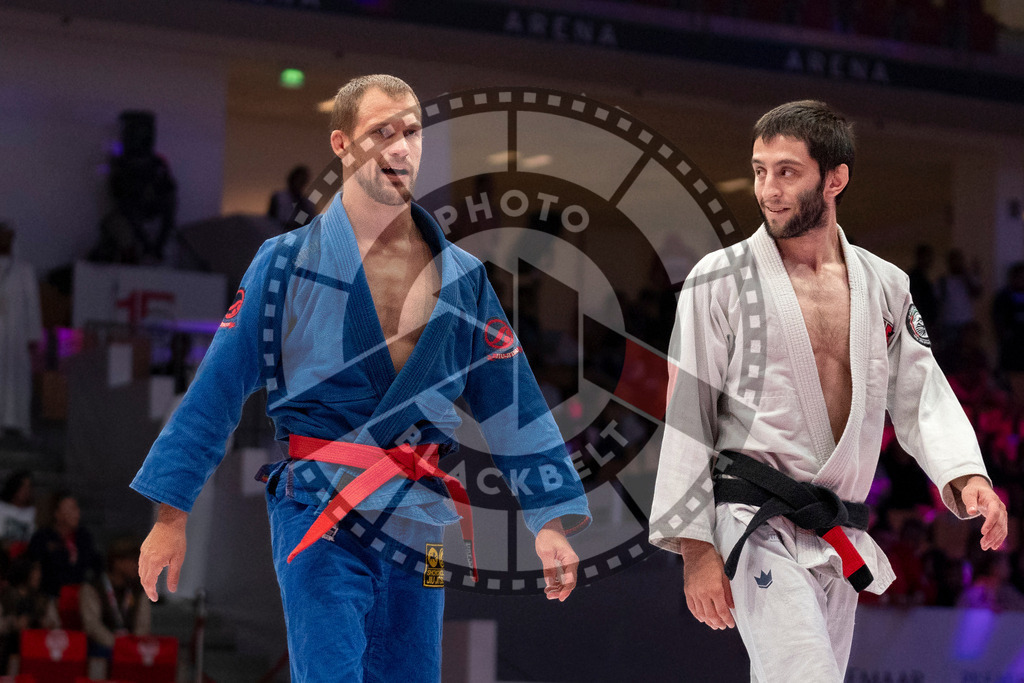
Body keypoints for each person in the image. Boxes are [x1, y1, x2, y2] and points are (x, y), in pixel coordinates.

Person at [131, 74, 590, 683]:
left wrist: (548, 518)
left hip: (421, 516)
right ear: (342, 143)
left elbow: (512, 402)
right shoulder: (287, 262)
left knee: (413, 673)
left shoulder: (464, 277)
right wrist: (170, 515)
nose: (401, 147)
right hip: (320, 503)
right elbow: (217, 387)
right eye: (382, 133)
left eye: (411, 132)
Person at [649, 100, 1007, 682]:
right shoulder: (718, 280)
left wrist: (968, 477)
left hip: (839, 528)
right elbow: (688, 411)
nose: (768, 188)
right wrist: (694, 547)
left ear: (834, 178)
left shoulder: (885, 284)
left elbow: (921, 394)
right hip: (753, 518)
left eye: (787, 171)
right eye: (760, 170)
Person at [0, 223, 42, 438]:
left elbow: (32, 305)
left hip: (16, 334)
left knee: (18, 378)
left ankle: (20, 423)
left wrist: (33, 336)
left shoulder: (24, 270)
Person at [80, 536, 151, 658]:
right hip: (103, 647)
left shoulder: (139, 591)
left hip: (131, 649)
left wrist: (132, 646)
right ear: (117, 562)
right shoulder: (93, 588)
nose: (138, 565)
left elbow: (142, 626)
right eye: (133, 561)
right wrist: (117, 645)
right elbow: (92, 626)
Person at [27, 491, 102, 598]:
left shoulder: (83, 537)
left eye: (77, 508)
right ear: (57, 513)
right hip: (50, 594)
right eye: (72, 509)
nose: (77, 513)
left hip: (78, 593)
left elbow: (94, 564)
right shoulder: (42, 538)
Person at [992, 261, 1024, 406]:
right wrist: (1003, 335)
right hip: (1011, 345)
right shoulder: (1003, 296)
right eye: (1018, 276)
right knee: (1010, 378)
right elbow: (997, 318)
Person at [0, 470, 37, 558]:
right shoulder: (2, 507)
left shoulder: (34, 512)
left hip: (24, 557)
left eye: (29, 487)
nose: (26, 491)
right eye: (23, 487)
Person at [267, 165, 316, 230]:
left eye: (303, 180)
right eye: (298, 179)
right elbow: (270, 220)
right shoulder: (279, 197)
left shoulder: (307, 204)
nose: (300, 183)